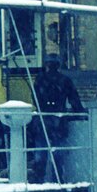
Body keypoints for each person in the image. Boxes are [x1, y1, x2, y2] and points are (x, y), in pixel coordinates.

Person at [30, 53, 84, 182]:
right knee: (58, 155)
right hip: (59, 121)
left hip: (43, 120)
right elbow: (74, 99)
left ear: (47, 64)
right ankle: (58, 180)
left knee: (41, 153)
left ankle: (39, 180)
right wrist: (80, 113)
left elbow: (35, 99)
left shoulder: (40, 79)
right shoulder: (65, 80)